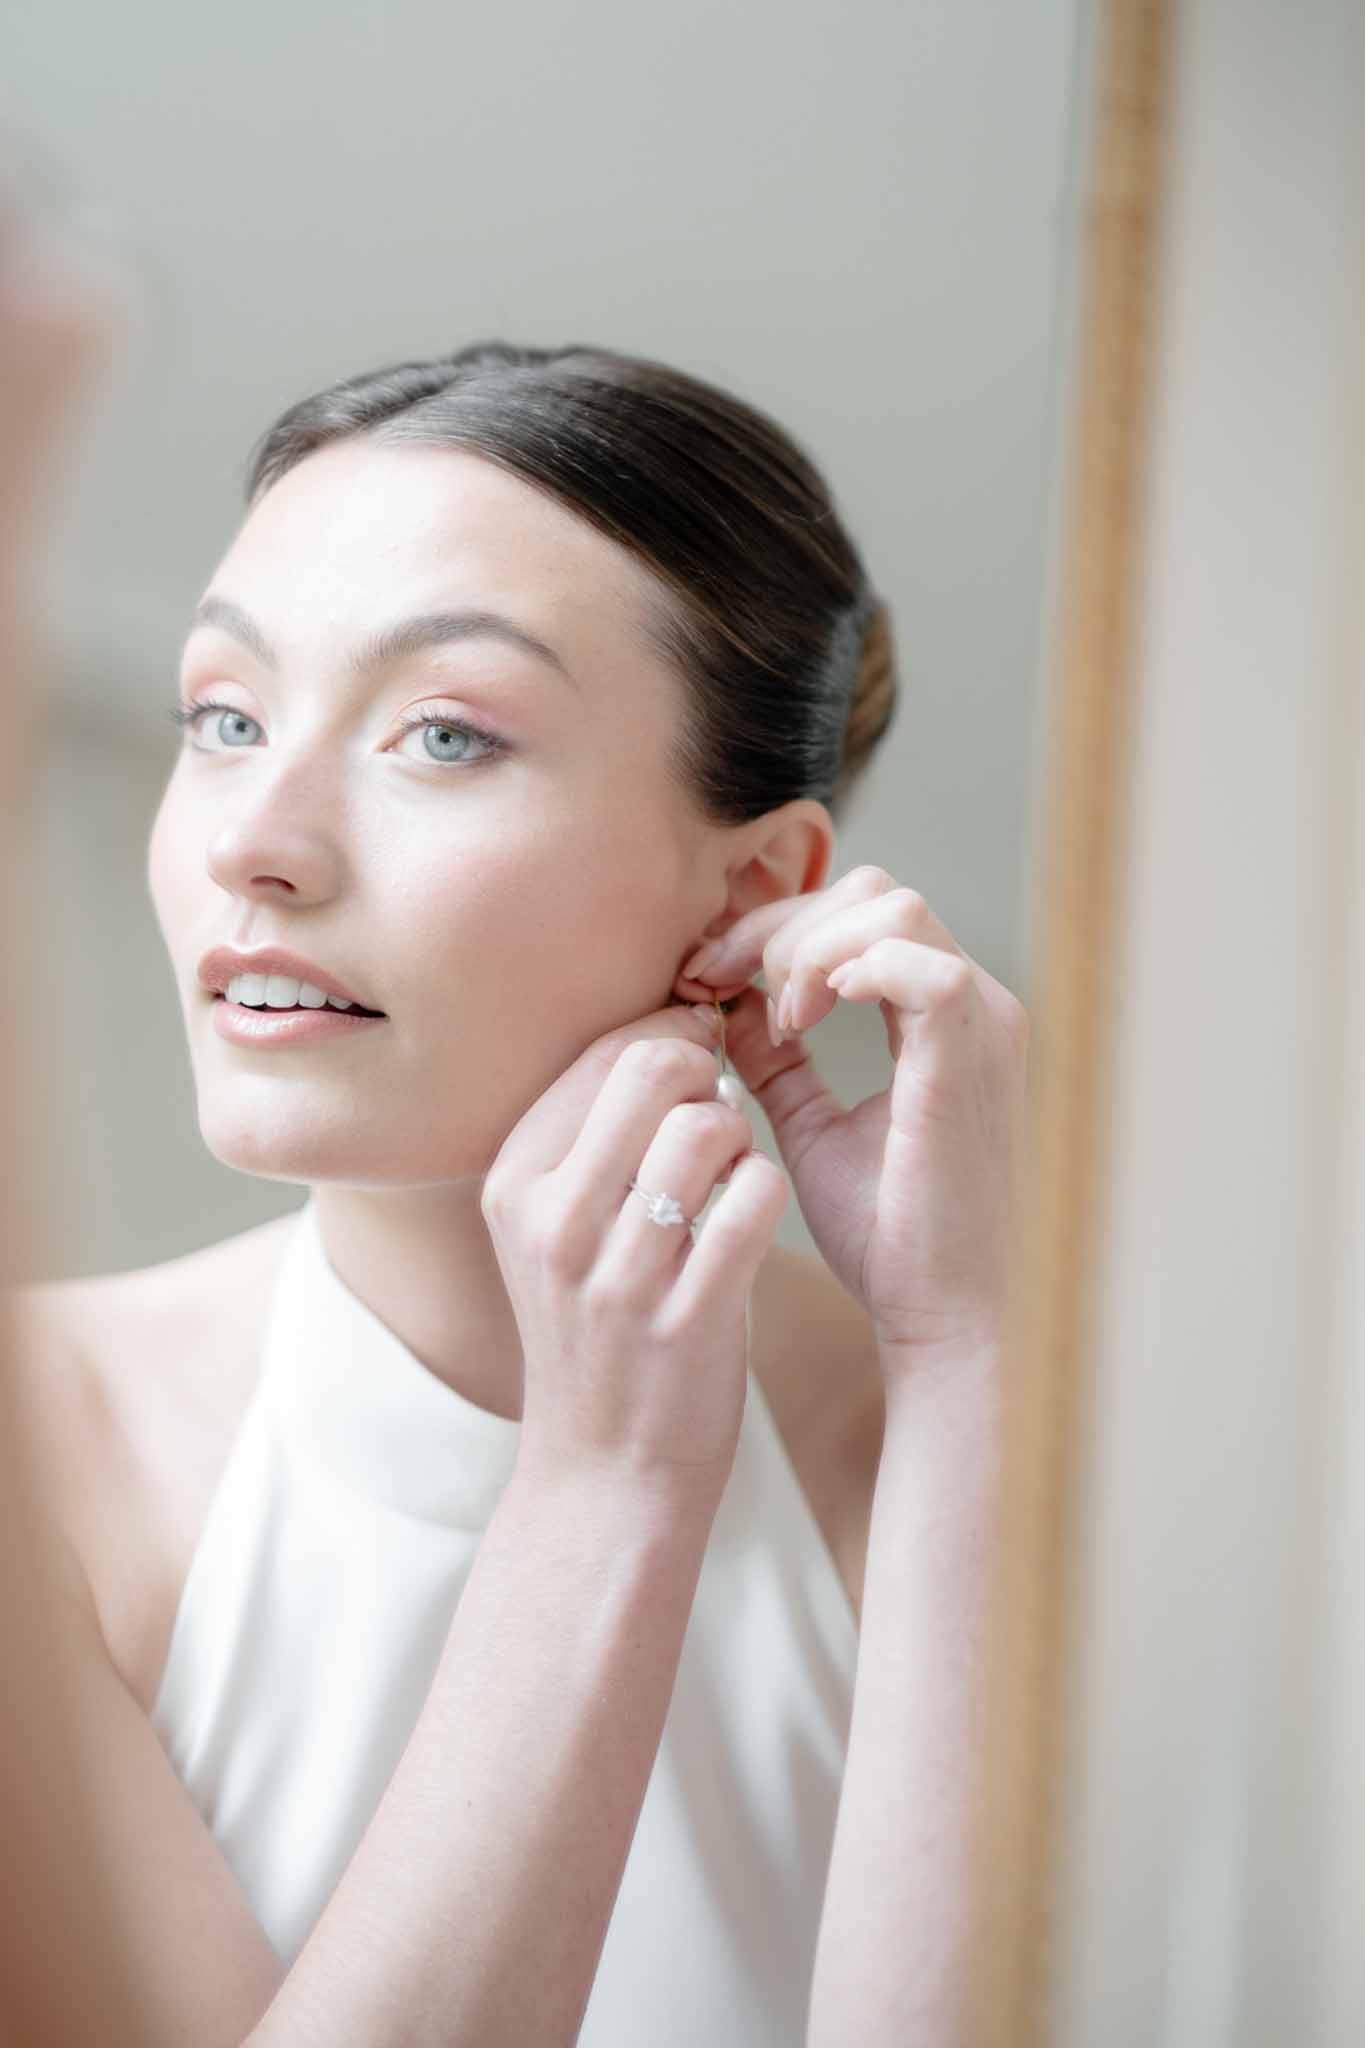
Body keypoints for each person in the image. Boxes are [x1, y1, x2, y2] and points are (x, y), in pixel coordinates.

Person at [10, 339, 1027, 2045]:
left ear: (756, 885)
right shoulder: (45, 1452)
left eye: (442, 735)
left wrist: (969, 1352)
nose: (259, 838)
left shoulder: (960, 1445)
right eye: (225, 716)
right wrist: (605, 1480)